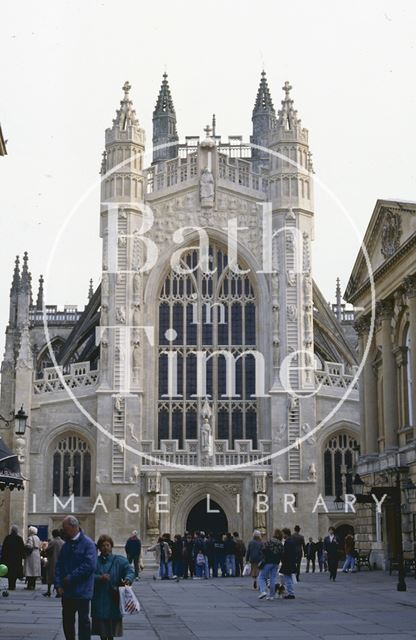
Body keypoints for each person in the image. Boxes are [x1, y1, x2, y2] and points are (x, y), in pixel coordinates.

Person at [55, 515, 97, 640]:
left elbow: (89, 566)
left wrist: (70, 577)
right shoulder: (66, 545)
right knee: (67, 621)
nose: (63, 531)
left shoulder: (88, 544)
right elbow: (59, 565)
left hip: (82, 591)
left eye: (65, 529)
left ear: (74, 527)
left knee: (83, 621)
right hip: (67, 592)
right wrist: (58, 584)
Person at [91, 534, 134, 640]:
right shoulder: (94, 561)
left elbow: (129, 570)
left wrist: (128, 579)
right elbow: (88, 575)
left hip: (113, 598)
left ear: (111, 546)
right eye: (103, 545)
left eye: (107, 545)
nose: (105, 548)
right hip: (99, 597)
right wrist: (99, 578)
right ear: (99, 548)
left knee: (111, 629)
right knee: (101, 629)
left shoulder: (119, 560)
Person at [258, 529, 283, 600]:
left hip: (268, 562)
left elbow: (263, 549)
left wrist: (265, 556)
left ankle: (263, 591)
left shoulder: (269, 541)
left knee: (261, 577)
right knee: (273, 579)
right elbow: (282, 554)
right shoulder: (280, 544)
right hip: (276, 563)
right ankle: (271, 595)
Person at [0, 524, 25, 590]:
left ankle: (10, 585)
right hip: (17, 559)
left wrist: (3, 557)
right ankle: (13, 585)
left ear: (11, 530)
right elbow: (22, 549)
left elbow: (4, 549)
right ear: (16, 531)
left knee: (10, 573)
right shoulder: (19, 539)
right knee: (15, 572)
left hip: (8, 559)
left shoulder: (7, 538)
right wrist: (23, 556)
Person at [43, 529, 64, 597]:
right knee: (59, 577)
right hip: (61, 562)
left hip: (53, 561)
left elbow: (47, 550)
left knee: (50, 577)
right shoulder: (63, 542)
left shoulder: (53, 542)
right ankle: (59, 591)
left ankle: (49, 591)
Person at [279, 528, 297, 599]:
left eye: (283, 534)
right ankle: (290, 592)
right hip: (291, 561)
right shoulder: (292, 541)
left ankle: (291, 593)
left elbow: (285, 553)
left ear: (286, 534)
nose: (282, 535)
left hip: (287, 562)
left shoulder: (288, 542)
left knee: (287, 578)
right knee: (288, 577)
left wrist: (282, 559)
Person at [24, 525, 42, 590]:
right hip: (37, 554)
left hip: (31, 555)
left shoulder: (30, 538)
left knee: (30, 571)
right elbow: (40, 546)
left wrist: (25, 545)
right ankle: (33, 585)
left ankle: (29, 586)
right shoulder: (37, 538)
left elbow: (29, 546)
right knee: (34, 571)